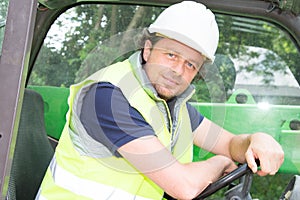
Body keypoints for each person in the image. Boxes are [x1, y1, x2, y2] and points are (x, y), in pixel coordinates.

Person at [36, 1, 284, 199]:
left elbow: (231, 144)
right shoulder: (108, 97)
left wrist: (256, 139)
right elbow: (184, 187)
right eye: (171, 55)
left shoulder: (171, 106)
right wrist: (220, 163)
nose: (178, 70)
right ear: (147, 49)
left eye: (190, 64)